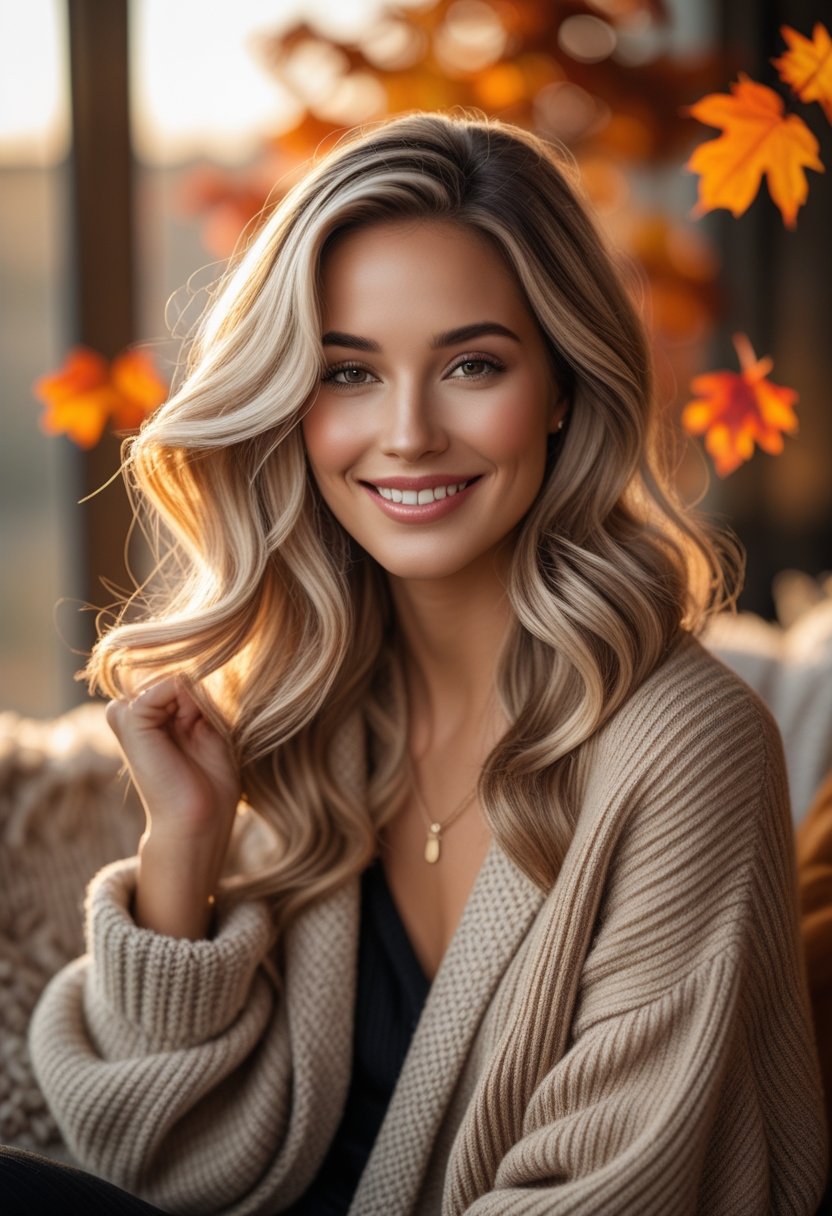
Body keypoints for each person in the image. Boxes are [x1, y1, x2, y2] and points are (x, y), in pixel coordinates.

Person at [18, 111, 827, 1213]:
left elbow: (617, 1188)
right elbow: (151, 1150)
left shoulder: (687, 745)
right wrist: (185, 850)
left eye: (472, 365)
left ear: (561, 388)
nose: (406, 433)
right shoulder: (313, 702)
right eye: (348, 374)